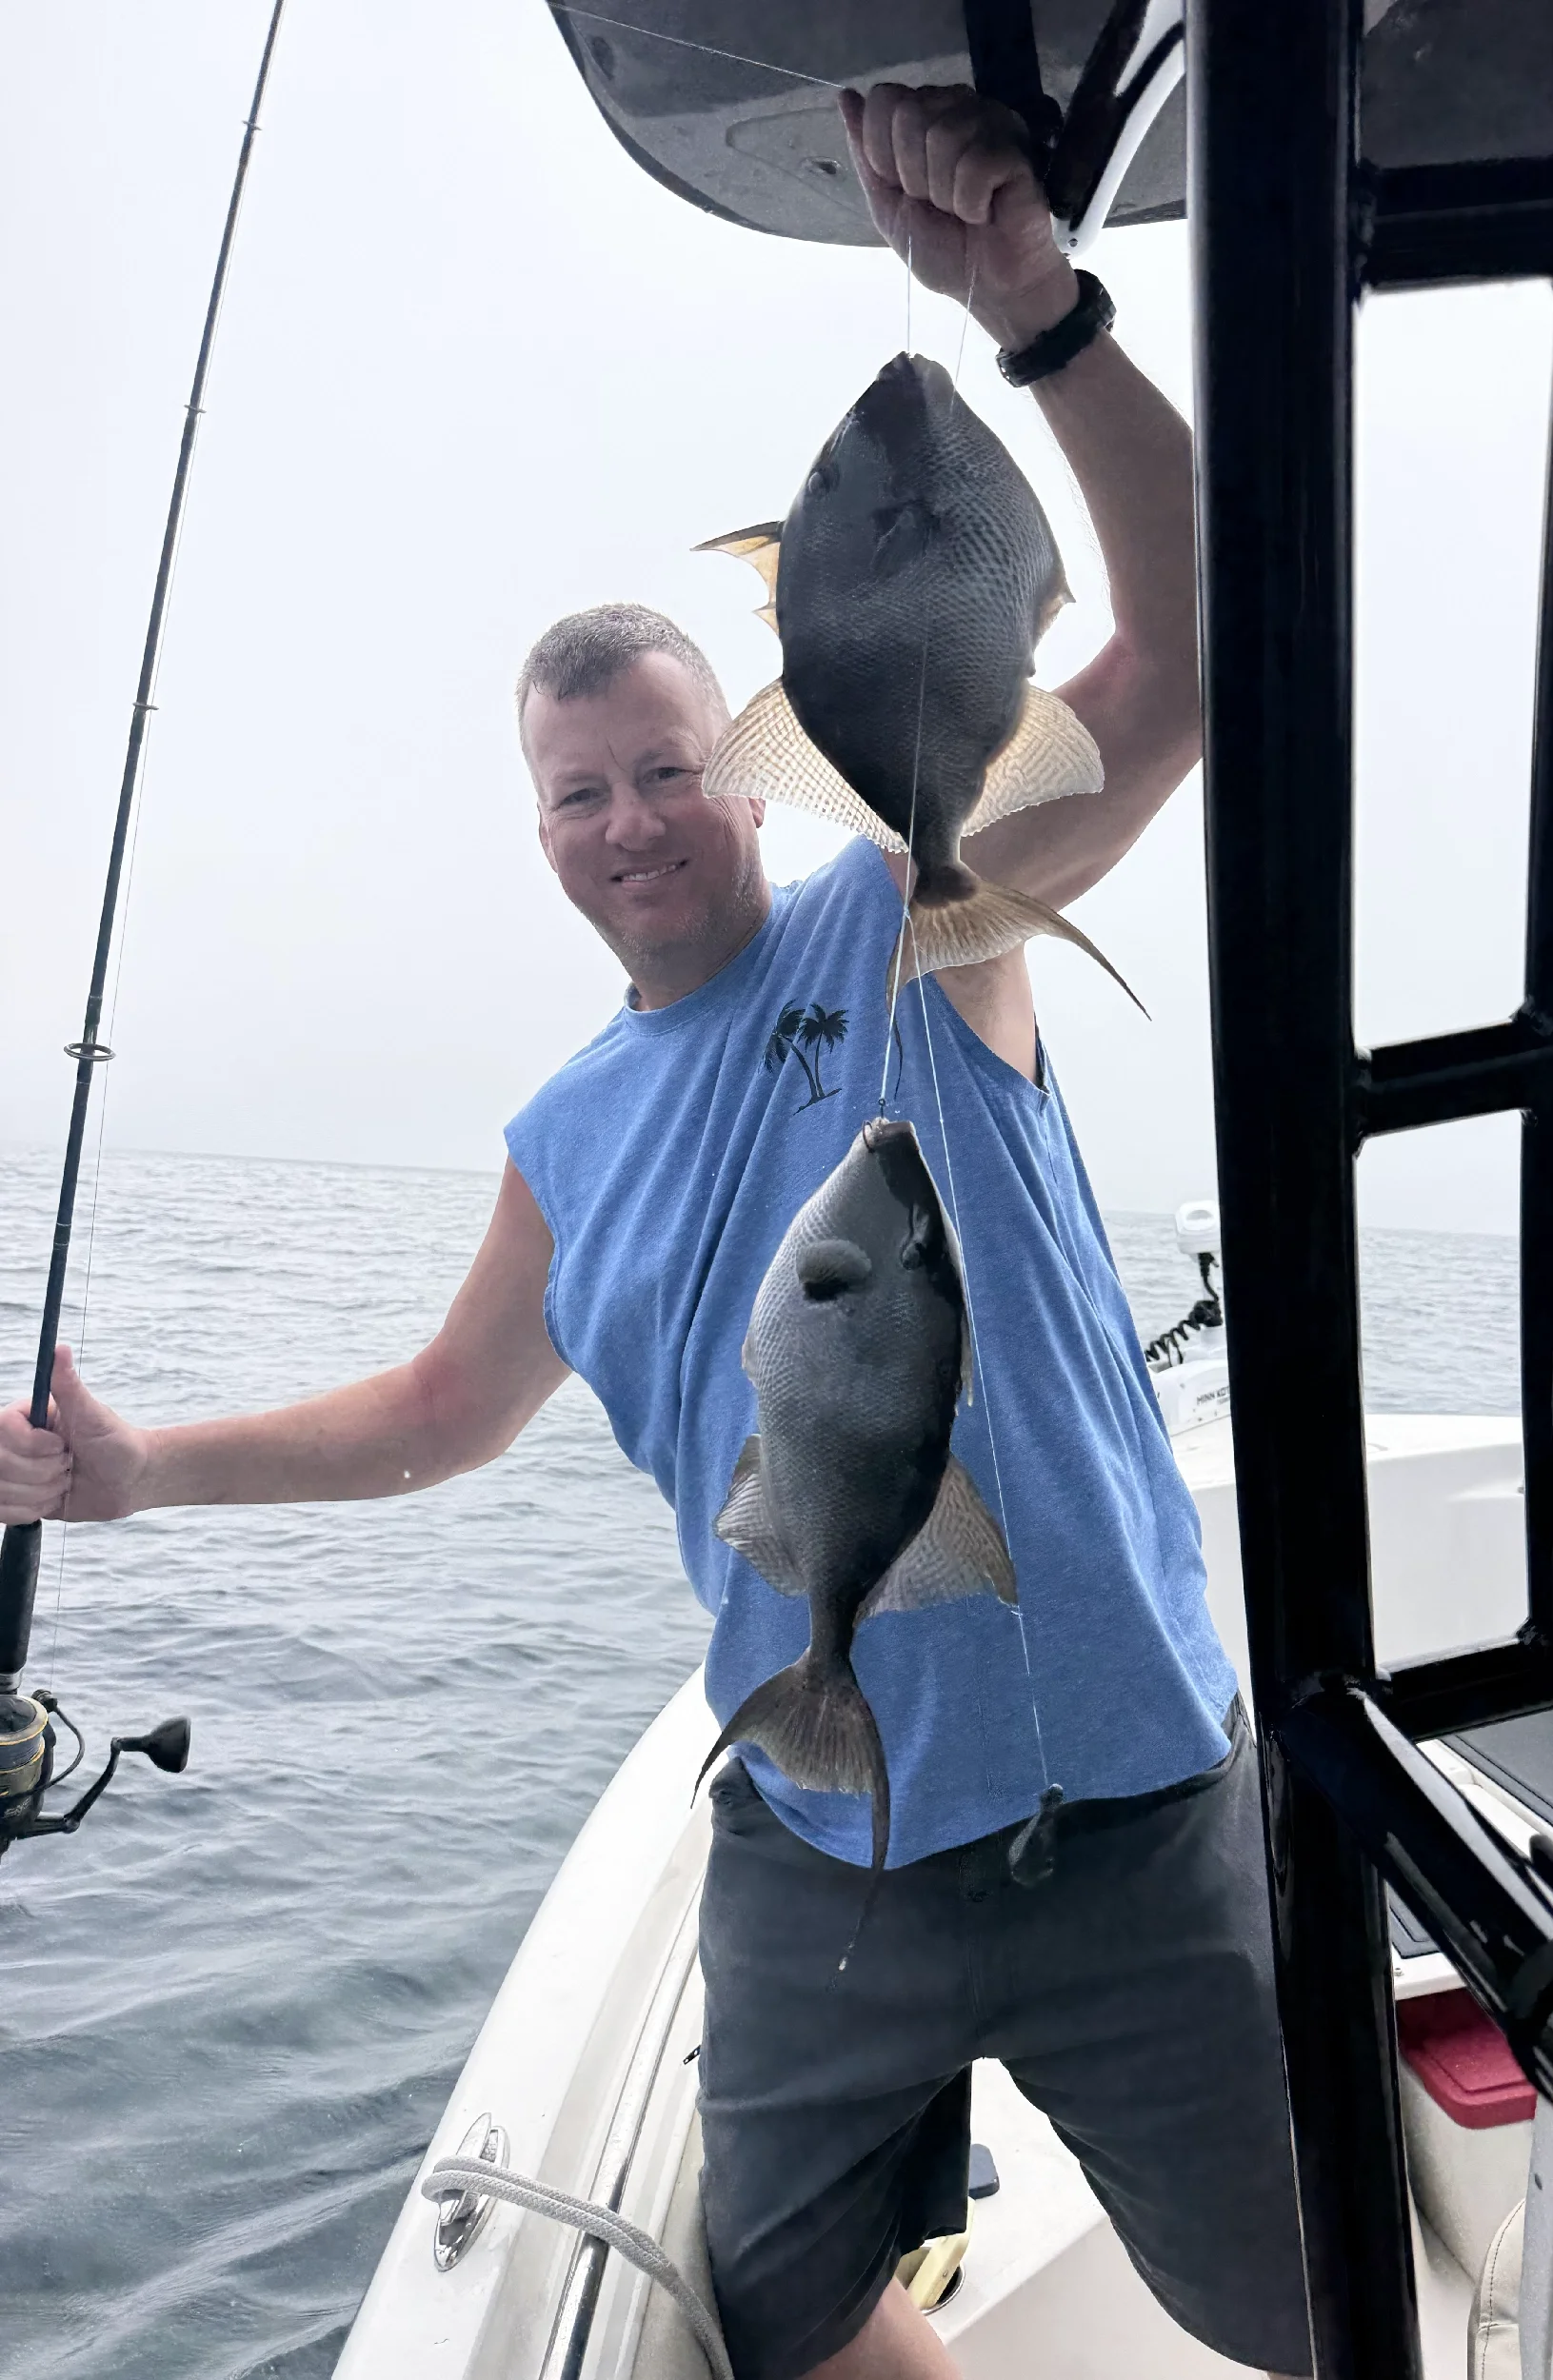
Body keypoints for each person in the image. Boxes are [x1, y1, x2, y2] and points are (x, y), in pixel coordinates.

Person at [0, 85, 1311, 2380]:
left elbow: (1194, 652)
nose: (631, 822)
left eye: (666, 766)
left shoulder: (920, 914)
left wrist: (1041, 318)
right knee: (777, 2317)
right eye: (578, 789)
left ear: (760, 753)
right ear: (538, 832)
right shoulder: (560, 1132)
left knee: (1322, 2305)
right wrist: (137, 1474)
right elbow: (431, 1413)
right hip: (813, 1826)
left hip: (1126, 1798)